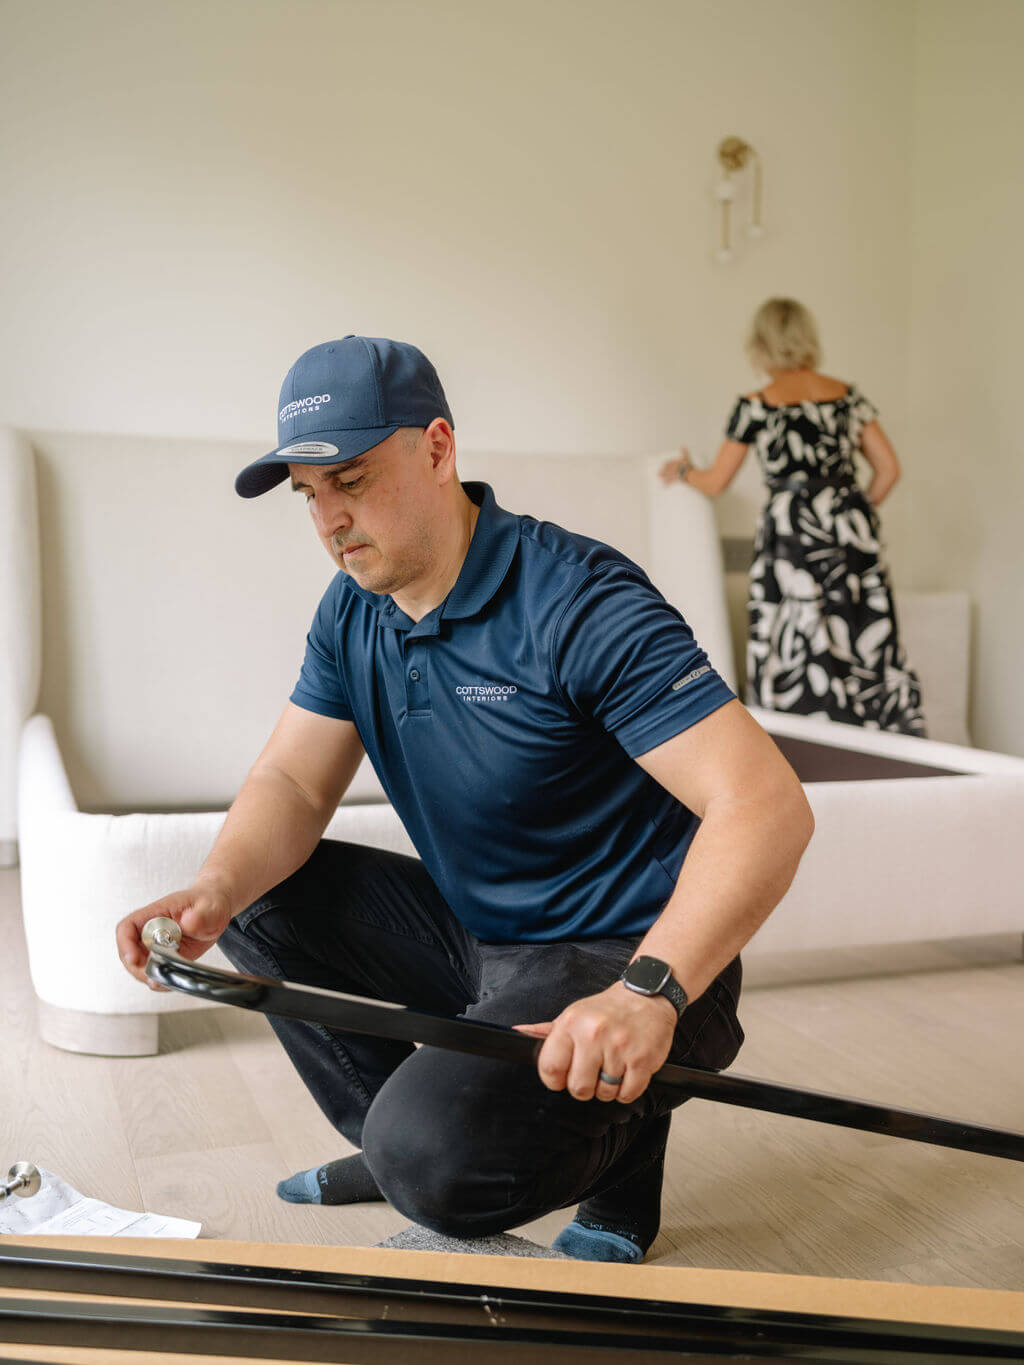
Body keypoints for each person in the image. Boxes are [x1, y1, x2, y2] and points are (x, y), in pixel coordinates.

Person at [117, 335, 814, 1263]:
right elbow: (290, 778)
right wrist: (212, 887)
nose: (329, 518)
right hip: (484, 938)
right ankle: (396, 1139)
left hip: (632, 953)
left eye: (352, 480)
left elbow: (767, 805)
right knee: (254, 898)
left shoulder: (578, 600)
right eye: (308, 493)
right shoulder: (353, 606)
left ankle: (606, 1139)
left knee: (439, 1166)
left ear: (438, 448)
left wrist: (647, 992)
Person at [660, 298, 926, 736]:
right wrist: (852, 516)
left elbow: (716, 482)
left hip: (791, 533)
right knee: (858, 625)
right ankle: (876, 739)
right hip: (848, 528)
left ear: (761, 345)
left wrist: (684, 471)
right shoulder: (847, 397)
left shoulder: (756, 405)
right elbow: (889, 469)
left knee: (794, 629)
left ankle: (798, 738)